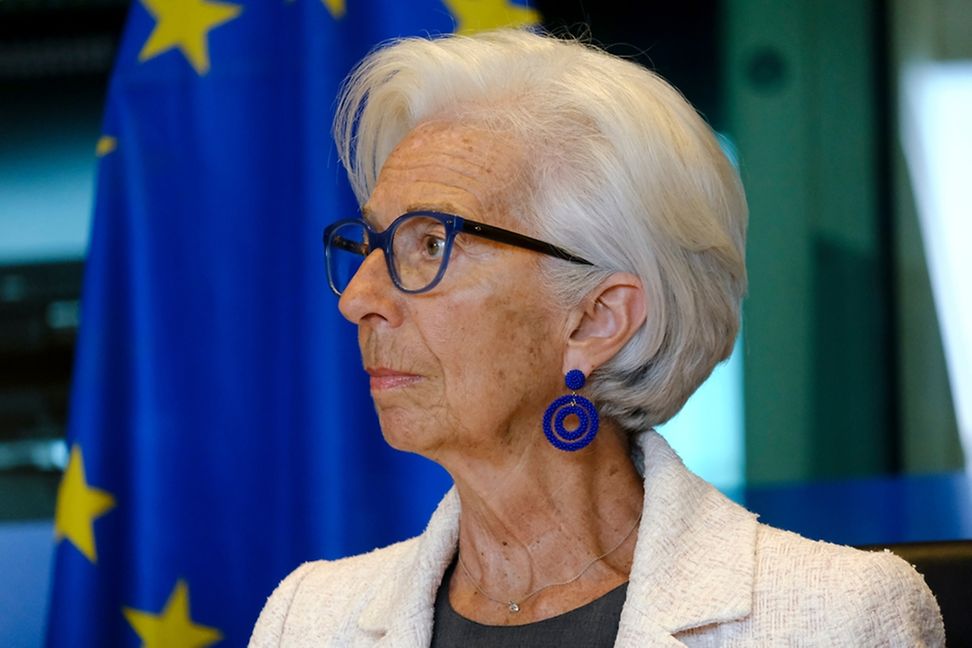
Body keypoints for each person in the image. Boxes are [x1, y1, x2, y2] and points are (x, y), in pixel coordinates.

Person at [249, 29, 944, 647]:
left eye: (431, 243)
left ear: (597, 319)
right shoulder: (307, 620)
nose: (359, 299)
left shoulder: (831, 619)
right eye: (371, 243)